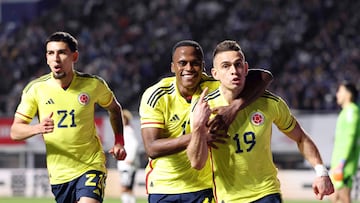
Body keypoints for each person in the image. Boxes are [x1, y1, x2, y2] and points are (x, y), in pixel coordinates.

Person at [187, 40, 334, 202]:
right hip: (227, 197)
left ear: (246, 69)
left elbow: (300, 137)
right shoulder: (204, 108)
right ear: (215, 74)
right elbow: (197, 163)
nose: (233, 71)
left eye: (238, 64)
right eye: (226, 66)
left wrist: (322, 172)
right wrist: (198, 128)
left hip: (266, 193)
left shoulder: (270, 103)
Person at [139, 39, 273, 203]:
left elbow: (264, 76)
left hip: (204, 187)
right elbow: (152, 148)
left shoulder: (214, 85)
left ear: (203, 66)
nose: (188, 68)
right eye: (182, 63)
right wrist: (199, 135)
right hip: (164, 186)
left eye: (194, 63)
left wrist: (234, 107)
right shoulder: (157, 95)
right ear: (173, 67)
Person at [10, 31, 127, 203]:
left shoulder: (93, 84)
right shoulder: (35, 89)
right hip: (59, 174)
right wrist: (37, 128)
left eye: (62, 52)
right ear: (46, 58)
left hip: (90, 164)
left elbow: (115, 109)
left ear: (74, 56)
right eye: (51, 53)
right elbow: (14, 131)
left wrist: (119, 141)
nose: (56, 58)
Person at [329, 82, 360, 203]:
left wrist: (341, 164)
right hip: (338, 163)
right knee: (335, 197)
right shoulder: (345, 112)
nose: (337, 94)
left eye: (340, 91)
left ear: (348, 94)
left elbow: (350, 138)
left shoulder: (352, 111)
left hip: (344, 165)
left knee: (344, 197)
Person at [117, 109, 140, 203]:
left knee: (125, 187)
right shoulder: (123, 131)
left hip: (127, 164)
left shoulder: (128, 130)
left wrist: (130, 158)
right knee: (128, 188)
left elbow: (135, 144)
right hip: (125, 164)